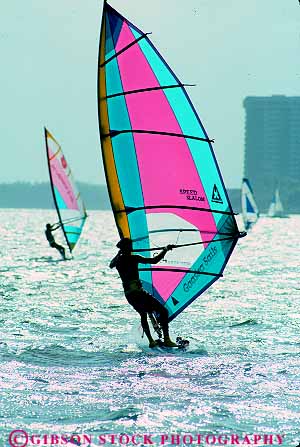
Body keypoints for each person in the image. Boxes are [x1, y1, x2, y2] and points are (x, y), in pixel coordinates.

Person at [110, 237, 178, 348]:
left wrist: (119, 253)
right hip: (138, 293)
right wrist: (165, 249)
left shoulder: (118, 261)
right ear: (128, 247)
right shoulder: (134, 258)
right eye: (130, 246)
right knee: (163, 311)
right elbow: (154, 261)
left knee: (143, 314)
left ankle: (151, 341)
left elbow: (111, 265)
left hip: (129, 295)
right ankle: (166, 339)